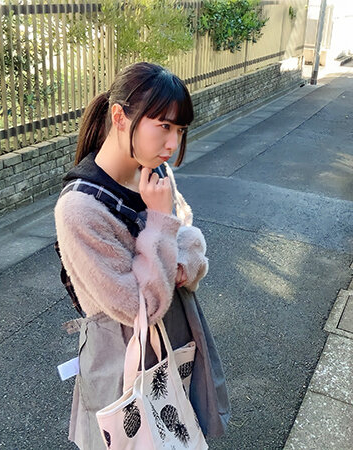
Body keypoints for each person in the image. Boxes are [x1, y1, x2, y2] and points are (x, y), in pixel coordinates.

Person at [54, 62, 229, 449]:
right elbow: (140, 307)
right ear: (120, 117)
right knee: (137, 439)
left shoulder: (154, 173)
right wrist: (162, 227)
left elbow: (192, 245)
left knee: (179, 432)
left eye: (179, 129)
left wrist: (175, 257)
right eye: (164, 126)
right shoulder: (80, 210)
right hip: (123, 356)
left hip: (177, 331)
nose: (172, 143)